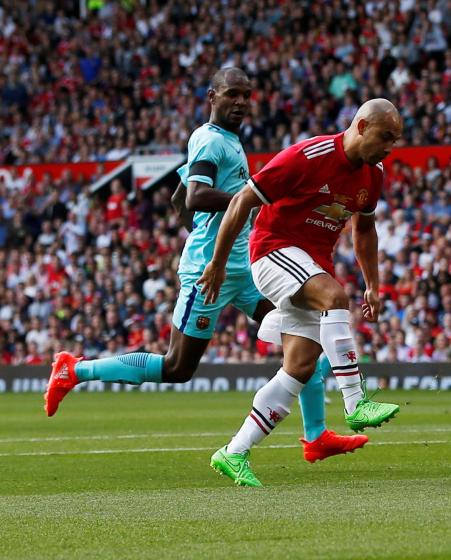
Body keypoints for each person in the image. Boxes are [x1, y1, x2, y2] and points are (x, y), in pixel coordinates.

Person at [43, 68, 366, 467]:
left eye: (247, 95)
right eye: (232, 94)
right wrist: (250, 201)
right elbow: (196, 197)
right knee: (178, 366)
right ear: (211, 96)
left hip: (243, 267)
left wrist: (210, 226)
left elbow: (180, 196)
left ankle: (316, 435)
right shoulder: (210, 139)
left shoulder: (226, 142)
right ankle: (75, 370)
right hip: (209, 271)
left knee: (305, 330)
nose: (241, 102)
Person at [200, 98, 403, 487]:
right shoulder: (308, 156)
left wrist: (373, 284)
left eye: (396, 139)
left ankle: (234, 451)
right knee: (335, 297)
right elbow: (243, 199)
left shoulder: (373, 175)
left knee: (299, 367)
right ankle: (355, 402)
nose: (390, 147)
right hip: (273, 251)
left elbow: (364, 230)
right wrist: (219, 262)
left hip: (311, 265)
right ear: (361, 127)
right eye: (385, 136)